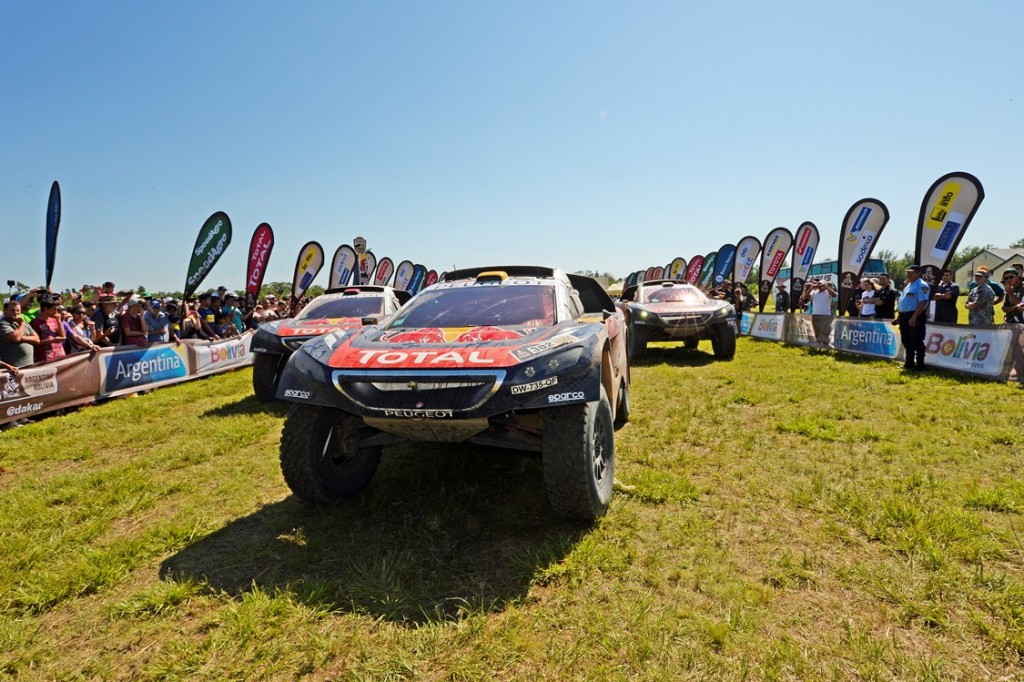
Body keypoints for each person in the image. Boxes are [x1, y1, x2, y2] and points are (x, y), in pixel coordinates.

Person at [893, 265, 930, 371]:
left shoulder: (922, 285)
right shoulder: (909, 285)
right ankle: (909, 363)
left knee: (916, 340)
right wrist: (900, 318)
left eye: (911, 272)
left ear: (918, 273)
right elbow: (905, 302)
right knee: (906, 340)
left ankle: (920, 365)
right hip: (904, 316)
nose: (908, 274)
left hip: (915, 315)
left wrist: (914, 317)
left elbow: (923, 302)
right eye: (907, 272)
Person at [0, 298, 39, 368]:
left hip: (29, 364)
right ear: (5, 311)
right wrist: (21, 324)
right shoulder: (3, 323)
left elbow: (37, 340)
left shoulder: (25, 324)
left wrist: (21, 337)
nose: (15, 313)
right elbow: (15, 338)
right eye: (12, 310)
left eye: (18, 310)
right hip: (13, 367)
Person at [29, 297, 67, 363]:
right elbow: (34, 342)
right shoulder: (35, 323)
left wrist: (59, 321)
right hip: (44, 357)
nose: (56, 312)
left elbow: (63, 336)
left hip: (59, 355)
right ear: (45, 308)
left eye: (57, 309)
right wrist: (51, 341)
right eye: (54, 309)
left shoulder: (55, 320)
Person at [802, 279, 836, 348]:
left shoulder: (828, 292)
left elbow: (834, 295)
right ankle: (819, 344)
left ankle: (826, 345)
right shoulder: (814, 292)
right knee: (817, 331)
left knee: (826, 331)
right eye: (819, 284)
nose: (820, 286)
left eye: (821, 284)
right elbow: (805, 297)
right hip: (815, 315)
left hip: (826, 315)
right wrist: (811, 288)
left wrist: (826, 287)